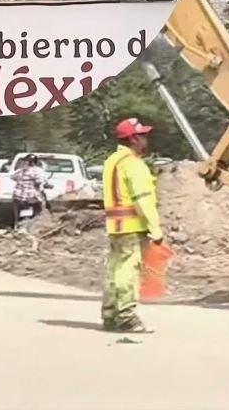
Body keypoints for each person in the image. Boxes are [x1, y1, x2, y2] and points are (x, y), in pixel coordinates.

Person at [101, 117, 163, 333]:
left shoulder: (112, 161)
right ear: (134, 139)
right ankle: (127, 317)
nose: (146, 139)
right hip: (132, 227)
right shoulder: (134, 164)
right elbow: (142, 199)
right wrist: (155, 230)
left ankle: (110, 314)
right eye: (143, 135)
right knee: (128, 271)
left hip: (115, 226)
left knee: (114, 270)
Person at [10, 154, 48, 229]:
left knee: (16, 214)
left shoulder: (20, 170)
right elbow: (39, 181)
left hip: (18, 196)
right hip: (32, 197)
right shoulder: (37, 171)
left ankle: (16, 225)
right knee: (39, 212)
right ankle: (36, 225)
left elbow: (13, 177)